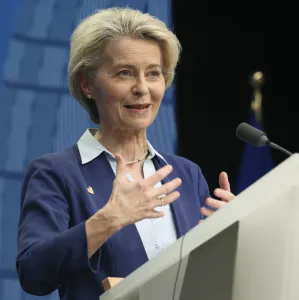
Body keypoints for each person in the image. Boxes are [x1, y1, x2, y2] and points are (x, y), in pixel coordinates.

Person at [16, 7, 235, 300]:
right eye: (124, 73)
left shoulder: (186, 174)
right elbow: (33, 272)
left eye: (153, 73)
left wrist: (231, 233)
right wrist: (108, 220)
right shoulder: (56, 173)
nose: (142, 88)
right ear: (87, 84)